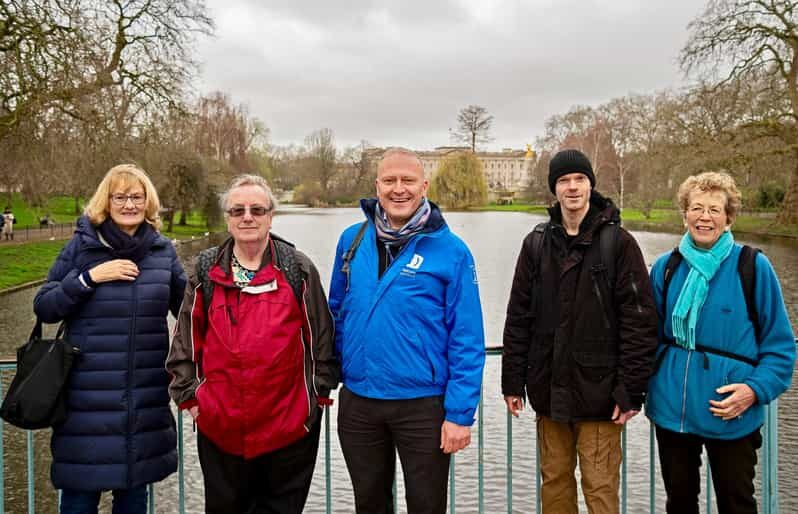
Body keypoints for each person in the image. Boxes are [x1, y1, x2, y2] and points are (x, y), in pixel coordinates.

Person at [166, 174, 339, 514]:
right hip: (222, 429)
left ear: (271, 216)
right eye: (238, 210)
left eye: (257, 210)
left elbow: (322, 339)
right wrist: (191, 399)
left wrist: (314, 402)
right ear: (228, 219)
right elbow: (185, 341)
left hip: (289, 430)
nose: (248, 217)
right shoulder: (205, 271)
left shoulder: (298, 269)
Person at [328, 147, 486, 514]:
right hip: (360, 402)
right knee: (369, 504)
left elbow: (467, 339)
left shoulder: (451, 251)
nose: (399, 189)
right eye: (390, 180)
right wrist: (330, 373)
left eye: (408, 180)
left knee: (426, 506)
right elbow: (336, 312)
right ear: (377, 185)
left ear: (424, 186)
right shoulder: (351, 241)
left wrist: (460, 415)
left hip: (423, 406)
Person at [501, 148, 658, 514]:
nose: (572, 188)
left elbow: (640, 320)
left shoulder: (618, 244)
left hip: (601, 396)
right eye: (564, 181)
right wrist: (512, 381)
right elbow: (518, 316)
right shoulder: (536, 244)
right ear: (554, 189)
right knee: (554, 485)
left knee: (600, 490)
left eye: (579, 180)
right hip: (549, 391)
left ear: (590, 185)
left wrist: (631, 389)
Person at [33, 164, 186, 514]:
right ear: (107, 200)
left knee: (133, 501)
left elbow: (191, 312)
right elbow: (44, 306)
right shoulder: (82, 247)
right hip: (85, 407)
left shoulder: (162, 252)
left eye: (136, 196)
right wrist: (89, 278)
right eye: (120, 196)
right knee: (79, 502)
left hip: (142, 406)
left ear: (148, 202)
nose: (129, 204)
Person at [646, 171, 795, 514]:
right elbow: (647, 337)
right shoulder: (666, 268)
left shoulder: (753, 267)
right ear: (684, 214)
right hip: (673, 410)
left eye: (715, 209)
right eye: (696, 208)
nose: (704, 217)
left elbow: (780, 347)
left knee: (736, 504)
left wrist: (753, 391)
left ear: (729, 219)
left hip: (730, 409)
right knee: (680, 503)